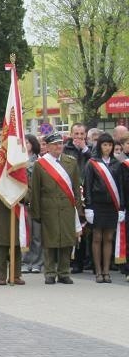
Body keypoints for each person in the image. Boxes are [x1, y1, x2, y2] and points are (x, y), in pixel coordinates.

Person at [30, 132, 82, 285]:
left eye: (60, 144)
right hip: (49, 208)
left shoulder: (71, 162)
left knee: (66, 240)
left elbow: (76, 188)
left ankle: (64, 272)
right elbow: (35, 190)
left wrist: (77, 208)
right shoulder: (40, 165)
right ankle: (50, 273)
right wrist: (36, 213)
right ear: (48, 146)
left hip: (67, 206)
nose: (59, 146)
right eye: (55, 144)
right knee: (50, 241)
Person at [83, 133, 124, 283]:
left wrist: (121, 208)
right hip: (96, 205)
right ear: (99, 146)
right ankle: (98, 271)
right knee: (97, 238)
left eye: (110, 145)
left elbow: (120, 187)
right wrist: (88, 206)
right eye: (104, 145)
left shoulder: (116, 163)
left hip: (112, 206)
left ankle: (107, 271)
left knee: (108, 238)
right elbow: (87, 185)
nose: (107, 148)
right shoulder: (92, 163)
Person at [0, 160, 26, 285]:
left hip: (17, 208)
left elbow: (27, 187)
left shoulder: (19, 166)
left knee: (17, 244)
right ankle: (1, 276)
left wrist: (20, 194)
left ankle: (16, 275)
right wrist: (4, 190)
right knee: (0, 244)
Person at [63, 122, 91, 274]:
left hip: (85, 193)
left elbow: (95, 162)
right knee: (69, 227)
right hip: (69, 192)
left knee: (82, 228)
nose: (79, 137)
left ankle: (81, 261)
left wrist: (85, 150)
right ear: (71, 134)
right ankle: (69, 260)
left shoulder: (91, 149)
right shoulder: (65, 149)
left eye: (82, 134)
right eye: (76, 134)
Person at [21, 134, 44, 274]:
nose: (27, 145)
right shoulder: (18, 161)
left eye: (29, 142)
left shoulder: (40, 162)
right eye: (24, 142)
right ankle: (25, 261)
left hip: (37, 202)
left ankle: (37, 262)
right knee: (25, 234)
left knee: (37, 235)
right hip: (23, 202)